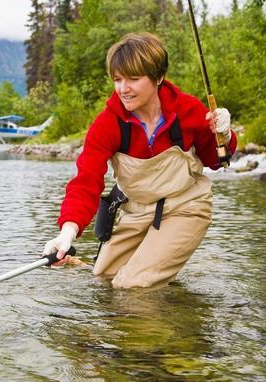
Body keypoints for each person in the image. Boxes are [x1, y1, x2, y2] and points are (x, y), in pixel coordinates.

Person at [43, 32, 236, 288]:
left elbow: (215, 160)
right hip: (136, 211)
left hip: (186, 207)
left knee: (133, 285)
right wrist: (67, 233)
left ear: (158, 77)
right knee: (104, 279)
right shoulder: (107, 124)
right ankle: (170, 300)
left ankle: (164, 321)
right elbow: (86, 180)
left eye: (133, 79)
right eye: (118, 79)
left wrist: (224, 134)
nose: (124, 89)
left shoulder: (188, 110)